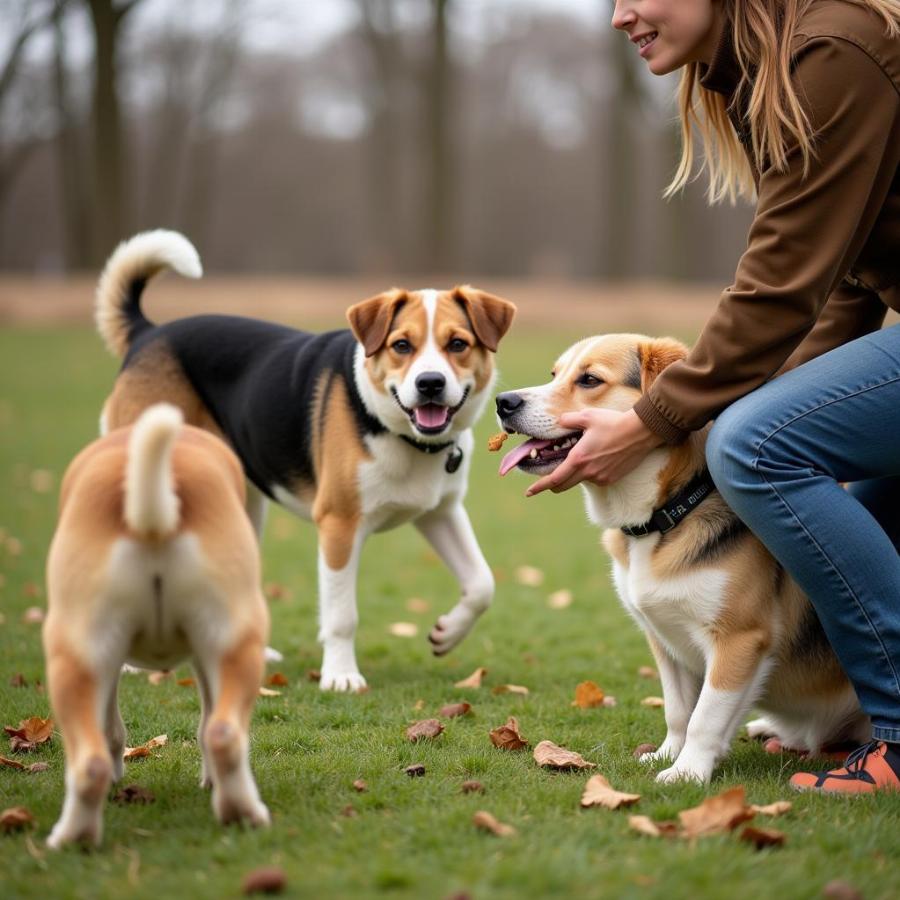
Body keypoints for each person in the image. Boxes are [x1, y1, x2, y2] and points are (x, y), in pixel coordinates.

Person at [528, 0, 900, 794]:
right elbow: (839, 289)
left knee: (754, 446)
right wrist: (759, 405)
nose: (621, 15)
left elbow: (778, 292)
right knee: (829, 479)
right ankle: (851, 716)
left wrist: (653, 420)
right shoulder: (766, 73)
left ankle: (897, 734)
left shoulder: (832, 53)